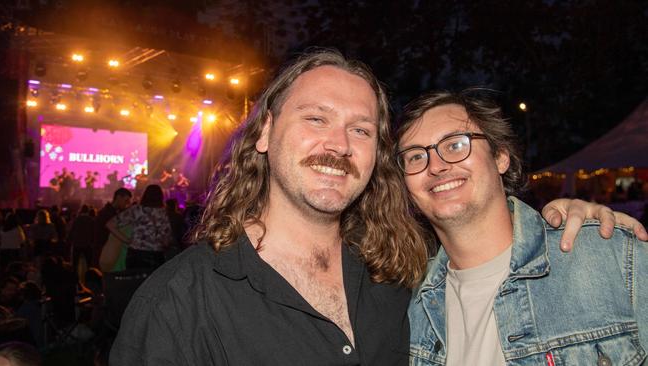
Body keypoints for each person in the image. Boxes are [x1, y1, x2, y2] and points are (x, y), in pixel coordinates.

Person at [109, 50, 644, 365]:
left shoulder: (401, 283)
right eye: (316, 118)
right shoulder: (178, 304)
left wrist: (585, 221)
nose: (339, 144)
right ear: (266, 132)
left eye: (361, 129)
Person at [400, 91, 648, 365]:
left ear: (501, 157)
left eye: (456, 145)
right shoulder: (407, 305)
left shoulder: (609, 256)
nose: (436, 166)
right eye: (415, 157)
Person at [107, 184, 171, 271]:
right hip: (156, 255)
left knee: (135, 283)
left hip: (136, 254)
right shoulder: (164, 214)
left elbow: (110, 224)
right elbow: (166, 239)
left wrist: (127, 240)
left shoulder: (136, 210)